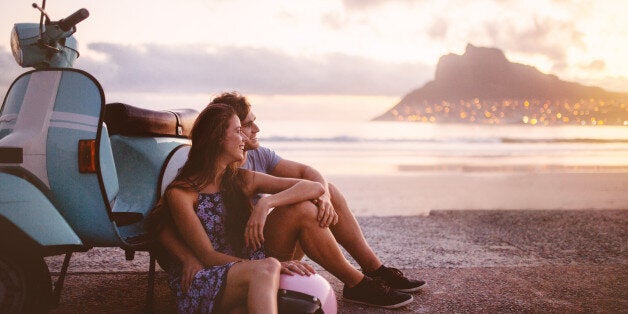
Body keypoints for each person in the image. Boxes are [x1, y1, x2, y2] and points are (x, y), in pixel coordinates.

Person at [153, 104, 412, 313]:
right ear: (217, 139)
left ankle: (359, 282)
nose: (245, 137)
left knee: (303, 209)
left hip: (252, 263)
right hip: (209, 276)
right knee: (266, 270)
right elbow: (208, 257)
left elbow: (315, 187)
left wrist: (265, 204)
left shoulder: (240, 179)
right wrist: (273, 264)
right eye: (237, 131)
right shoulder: (182, 194)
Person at [211, 92, 426, 295]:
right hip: (246, 260)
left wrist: (321, 198)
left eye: (253, 121)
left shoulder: (259, 154)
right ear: (229, 130)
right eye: (247, 125)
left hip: (265, 247)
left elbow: (308, 173)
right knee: (302, 209)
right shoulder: (226, 172)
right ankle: (356, 283)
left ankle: (374, 269)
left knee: (328, 190)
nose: (257, 129)